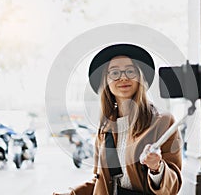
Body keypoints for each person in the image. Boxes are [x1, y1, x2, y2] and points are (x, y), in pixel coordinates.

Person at [53, 44, 182, 195]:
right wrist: (72, 193)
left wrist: (157, 168)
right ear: (106, 81)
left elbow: (173, 187)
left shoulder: (163, 122)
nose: (123, 77)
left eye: (130, 71)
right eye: (114, 72)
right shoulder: (105, 128)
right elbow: (101, 182)